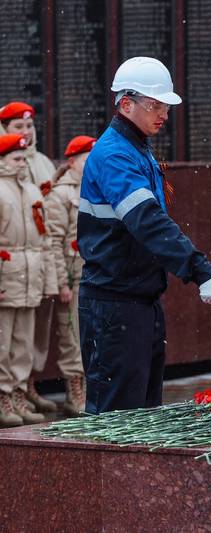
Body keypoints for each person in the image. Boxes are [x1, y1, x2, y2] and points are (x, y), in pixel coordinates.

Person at [78, 57, 211, 414]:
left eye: (166, 105)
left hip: (138, 301)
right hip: (114, 306)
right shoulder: (115, 154)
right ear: (126, 103)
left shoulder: (136, 148)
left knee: (143, 417)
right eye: (156, 104)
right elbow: (147, 221)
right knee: (114, 422)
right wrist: (200, 270)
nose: (163, 113)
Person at [0, 101, 59, 413]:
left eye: (29, 126)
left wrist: (50, 278)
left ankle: (23, 390)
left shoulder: (40, 170)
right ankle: (5, 395)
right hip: (9, 271)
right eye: (17, 127)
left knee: (28, 337)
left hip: (32, 269)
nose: (26, 133)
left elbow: (46, 231)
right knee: (5, 339)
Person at [42, 136, 96, 416]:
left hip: (93, 274)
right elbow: (52, 241)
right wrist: (61, 281)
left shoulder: (94, 188)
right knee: (72, 336)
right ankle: (75, 390)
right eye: (86, 161)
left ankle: (90, 387)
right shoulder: (60, 194)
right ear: (72, 162)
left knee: (91, 334)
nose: (91, 166)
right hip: (72, 277)